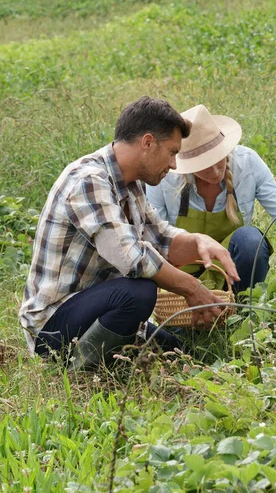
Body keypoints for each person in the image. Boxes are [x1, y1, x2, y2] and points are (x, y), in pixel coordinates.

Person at [19, 97, 240, 370]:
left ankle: (113, 358)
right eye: (172, 152)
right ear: (147, 143)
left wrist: (199, 243)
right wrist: (192, 288)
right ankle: (77, 371)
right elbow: (132, 259)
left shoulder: (131, 183)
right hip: (53, 325)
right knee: (138, 291)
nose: (173, 164)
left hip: (97, 309)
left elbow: (161, 239)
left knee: (178, 354)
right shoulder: (89, 180)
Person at [146, 104, 276, 293]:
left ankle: (242, 306)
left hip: (233, 274)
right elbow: (155, 242)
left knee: (251, 240)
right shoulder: (164, 178)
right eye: (203, 165)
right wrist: (189, 290)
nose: (214, 172)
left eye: (217, 158)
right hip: (181, 277)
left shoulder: (247, 164)